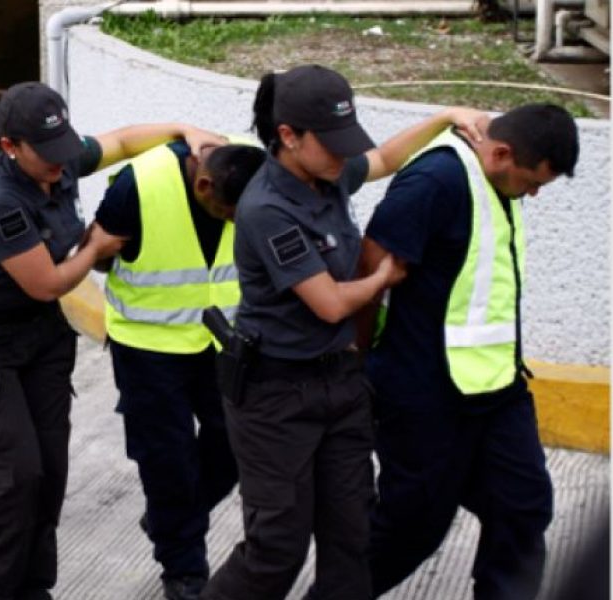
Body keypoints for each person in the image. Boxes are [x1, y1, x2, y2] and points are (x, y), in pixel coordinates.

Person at [0, 80, 225, 600]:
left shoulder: (57, 160)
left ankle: (35, 589)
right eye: (47, 157)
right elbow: (47, 283)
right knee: (16, 476)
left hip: (40, 340)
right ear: (9, 148)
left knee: (50, 475)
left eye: (65, 151)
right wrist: (97, 247)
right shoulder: (0, 200)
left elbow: (126, 140)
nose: (61, 165)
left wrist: (185, 128)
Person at [199, 65, 486, 600]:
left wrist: (446, 117)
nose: (342, 155)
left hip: (341, 385)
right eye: (331, 145)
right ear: (288, 136)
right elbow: (329, 303)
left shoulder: (325, 173)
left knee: (351, 536)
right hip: (274, 398)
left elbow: (381, 160)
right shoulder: (267, 209)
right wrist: (382, 277)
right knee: (277, 548)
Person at [360, 104, 578, 599]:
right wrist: (359, 364)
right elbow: (370, 263)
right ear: (500, 153)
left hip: (497, 389)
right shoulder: (434, 181)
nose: (535, 194)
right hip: (424, 393)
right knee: (412, 528)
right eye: (532, 182)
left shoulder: (500, 176)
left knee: (522, 508)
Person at [93, 140, 265, 600]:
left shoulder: (249, 170)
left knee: (232, 446)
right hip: (147, 344)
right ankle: (183, 569)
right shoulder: (140, 184)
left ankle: (173, 520)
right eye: (226, 211)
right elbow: (100, 251)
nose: (233, 222)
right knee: (167, 460)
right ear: (204, 184)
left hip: (221, 340)